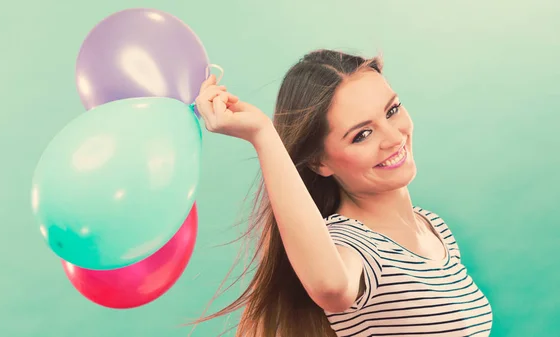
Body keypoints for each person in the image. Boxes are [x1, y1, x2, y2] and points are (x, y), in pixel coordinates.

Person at [192, 49, 493, 337]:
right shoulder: (352, 245)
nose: (392, 138)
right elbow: (330, 287)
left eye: (392, 110)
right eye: (362, 135)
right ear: (319, 162)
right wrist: (262, 134)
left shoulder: (434, 228)